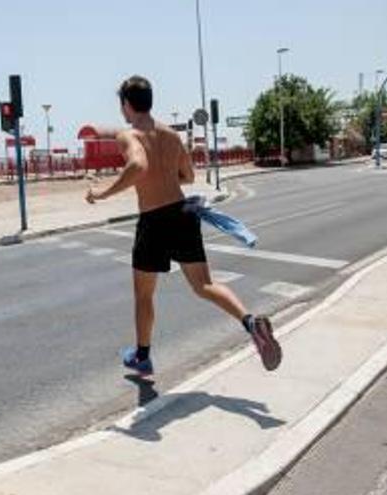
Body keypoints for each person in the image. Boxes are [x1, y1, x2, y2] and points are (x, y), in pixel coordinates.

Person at [86, 76, 282, 375]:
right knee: (205, 284)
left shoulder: (130, 135)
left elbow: (138, 166)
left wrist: (102, 193)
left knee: (144, 295)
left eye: (122, 105)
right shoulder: (171, 135)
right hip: (182, 213)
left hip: (154, 220)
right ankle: (250, 321)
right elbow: (188, 176)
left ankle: (142, 356)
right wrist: (164, 178)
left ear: (127, 104)